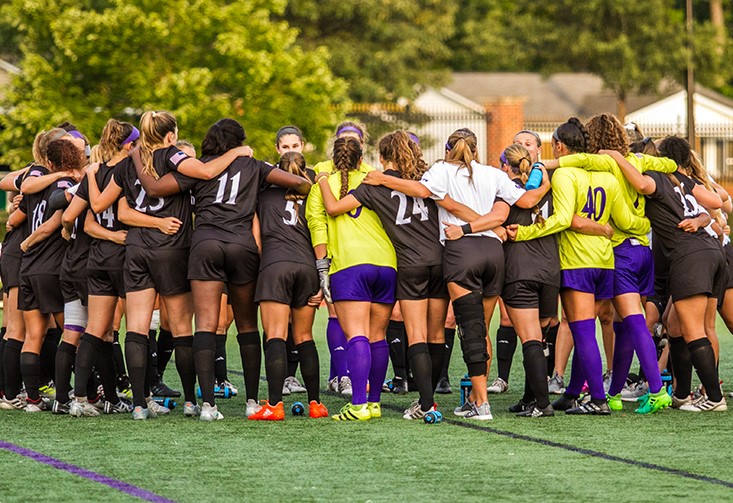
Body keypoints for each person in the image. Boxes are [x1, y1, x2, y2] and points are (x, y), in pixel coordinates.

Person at [364, 128, 550, 420]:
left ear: (449, 148)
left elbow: (423, 192)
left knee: (470, 331)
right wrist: (543, 179)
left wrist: (383, 178)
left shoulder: (441, 170)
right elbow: (527, 201)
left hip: (461, 252)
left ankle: (480, 404)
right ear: (475, 150)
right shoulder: (493, 174)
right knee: (483, 329)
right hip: (494, 255)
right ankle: (476, 399)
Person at [132, 117, 310, 420]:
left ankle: (208, 406)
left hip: (205, 245)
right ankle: (253, 401)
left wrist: (136, 155)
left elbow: (157, 189)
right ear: (239, 141)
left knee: (205, 324)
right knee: (247, 325)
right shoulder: (255, 166)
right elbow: (299, 183)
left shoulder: (198, 166)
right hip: (242, 246)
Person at [88, 111, 250, 419]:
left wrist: (90, 175)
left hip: (136, 249)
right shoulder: (173, 156)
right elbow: (205, 172)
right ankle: (191, 400)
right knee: (179, 328)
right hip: (172, 249)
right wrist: (237, 151)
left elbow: (103, 206)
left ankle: (138, 405)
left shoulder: (127, 163)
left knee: (135, 327)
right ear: (170, 136)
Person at [509, 118, 650, 415]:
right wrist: (618, 228)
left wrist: (523, 232)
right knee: (581, 327)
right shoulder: (609, 178)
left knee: (583, 331)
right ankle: (573, 393)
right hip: (605, 262)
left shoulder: (564, 174)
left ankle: (598, 400)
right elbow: (625, 222)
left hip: (577, 261)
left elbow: (561, 220)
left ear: (559, 146)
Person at [551, 113, 679, 414]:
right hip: (643, 251)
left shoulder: (601, 163)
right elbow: (670, 164)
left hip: (618, 249)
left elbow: (618, 215)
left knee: (621, 322)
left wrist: (548, 164)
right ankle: (607, 393)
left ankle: (656, 389)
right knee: (619, 325)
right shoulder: (637, 161)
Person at [318, 130, 448, 420]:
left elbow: (335, 208)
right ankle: (427, 401)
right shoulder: (427, 180)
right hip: (439, 261)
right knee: (436, 335)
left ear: (382, 157)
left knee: (414, 335)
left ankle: (407, 405)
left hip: (408, 263)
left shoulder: (373, 185)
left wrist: (324, 180)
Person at [601, 136, 727, 412]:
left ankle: (715, 398)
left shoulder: (656, 177)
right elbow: (715, 203)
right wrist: (701, 219)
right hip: (712, 253)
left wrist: (616, 157)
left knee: (694, 330)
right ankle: (681, 394)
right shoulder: (682, 180)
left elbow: (642, 184)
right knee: (674, 325)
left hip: (689, 256)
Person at [312, 136, 396, 421]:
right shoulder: (378, 179)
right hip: (386, 263)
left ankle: (358, 405)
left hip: (350, 265)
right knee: (378, 336)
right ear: (362, 158)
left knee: (357, 334)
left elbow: (318, 228)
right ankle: (374, 404)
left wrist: (322, 271)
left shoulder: (322, 185)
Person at [250, 151, 327, 420]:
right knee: (305, 337)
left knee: (276, 336)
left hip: (276, 265)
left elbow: (257, 240)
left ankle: (274, 405)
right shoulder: (315, 195)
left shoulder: (262, 196)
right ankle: (316, 404)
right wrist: (322, 280)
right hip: (307, 269)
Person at [306, 121, 374, 398]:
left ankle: (354, 376)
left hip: (357, 256)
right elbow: (319, 218)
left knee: (360, 323)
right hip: (343, 255)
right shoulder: (323, 170)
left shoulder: (368, 174)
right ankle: (342, 374)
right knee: (340, 316)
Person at [13, 139, 81, 411]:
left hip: (28, 268)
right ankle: (70, 395)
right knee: (71, 333)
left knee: (34, 335)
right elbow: (55, 223)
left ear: (49, 162)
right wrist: (29, 241)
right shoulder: (64, 186)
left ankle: (32, 400)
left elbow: (13, 215)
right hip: (52, 268)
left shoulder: (35, 185)